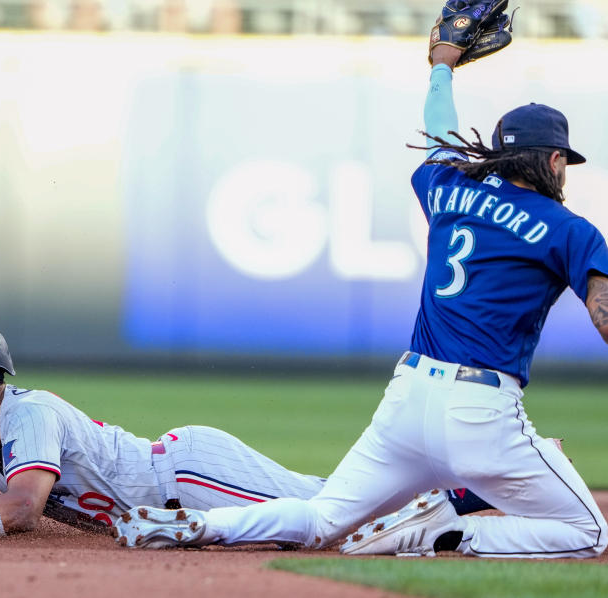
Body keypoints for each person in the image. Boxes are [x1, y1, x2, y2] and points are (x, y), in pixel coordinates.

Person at [114, 15, 608, 558]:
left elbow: (439, 128)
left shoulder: (447, 187)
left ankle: (205, 526)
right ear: (555, 159)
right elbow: (603, 315)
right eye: (566, 163)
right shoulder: (569, 230)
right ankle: (447, 530)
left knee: (325, 517)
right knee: (590, 534)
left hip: (409, 397)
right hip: (481, 415)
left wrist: (442, 67)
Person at [0, 321, 333, 539]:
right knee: (302, 532)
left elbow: (21, 511)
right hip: (168, 518)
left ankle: (415, 504)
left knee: (333, 516)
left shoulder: (30, 413)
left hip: (189, 476)